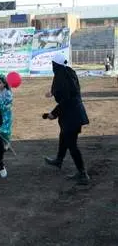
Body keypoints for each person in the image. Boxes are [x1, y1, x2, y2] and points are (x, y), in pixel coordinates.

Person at [44, 53, 90, 185]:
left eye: (52, 64)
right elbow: (70, 90)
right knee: (64, 136)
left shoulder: (61, 77)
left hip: (72, 115)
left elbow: (66, 100)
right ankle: (59, 160)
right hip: (74, 113)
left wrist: (53, 113)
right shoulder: (68, 72)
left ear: (55, 65)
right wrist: (53, 92)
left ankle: (82, 173)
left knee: (72, 144)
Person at [0, 74, 14, 150]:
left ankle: (7, 143)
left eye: (0, 83)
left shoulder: (8, 93)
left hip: (6, 115)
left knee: (5, 130)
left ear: (4, 83)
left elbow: (6, 105)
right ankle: (4, 143)